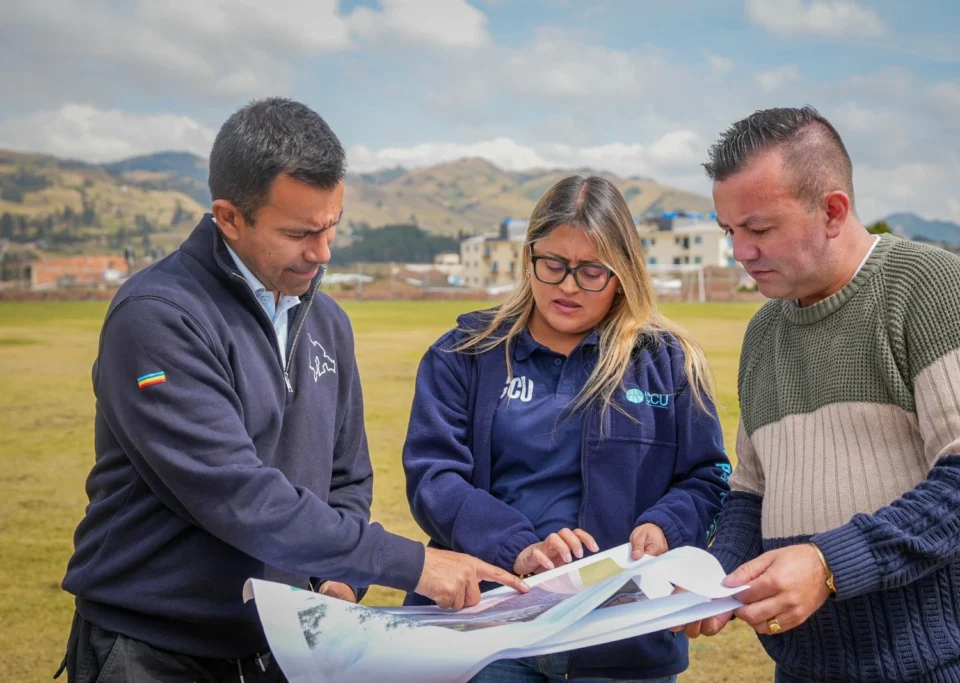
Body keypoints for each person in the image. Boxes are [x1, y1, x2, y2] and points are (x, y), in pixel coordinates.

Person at [56, 97, 525, 683]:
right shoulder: (158, 317)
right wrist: (412, 564)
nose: (322, 252)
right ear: (229, 217)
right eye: (299, 232)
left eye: (332, 225)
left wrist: (341, 579)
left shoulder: (328, 320)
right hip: (154, 649)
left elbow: (345, 476)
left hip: (285, 646)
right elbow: (236, 495)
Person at [681, 106, 960, 682]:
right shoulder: (764, 331)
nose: (740, 252)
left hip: (938, 663)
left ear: (833, 211)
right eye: (729, 231)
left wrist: (829, 565)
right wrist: (716, 577)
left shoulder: (934, 288)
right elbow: (751, 490)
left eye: (759, 230)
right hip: (804, 664)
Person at [402, 175, 732, 682]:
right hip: (489, 630)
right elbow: (434, 478)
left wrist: (667, 526)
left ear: (622, 272)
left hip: (622, 639)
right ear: (528, 256)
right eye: (553, 265)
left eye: (591, 271)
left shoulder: (668, 362)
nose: (568, 286)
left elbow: (707, 477)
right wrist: (517, 547)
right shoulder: (464, 353)